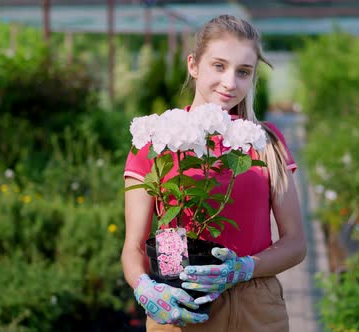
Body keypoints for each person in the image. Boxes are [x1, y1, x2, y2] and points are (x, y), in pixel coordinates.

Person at [121, 14, 307, 332]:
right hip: (182, 303)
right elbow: (135, 246)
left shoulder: (264, 141)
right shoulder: (158, 138)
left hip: (256, 307)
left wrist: (244, 268)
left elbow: (295, 243)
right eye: (218, 66)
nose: (230, 82)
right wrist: (144, 288)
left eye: (243, 72)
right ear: (194, 65)